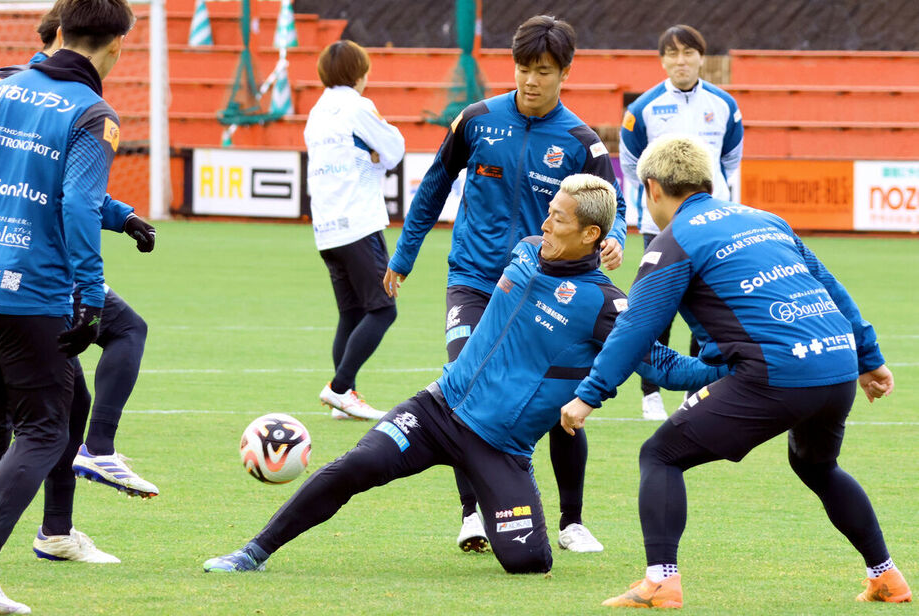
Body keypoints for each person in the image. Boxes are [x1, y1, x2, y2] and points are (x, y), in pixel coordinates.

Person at [204, 174, 723, 576]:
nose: (545, 224)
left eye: (559, 220)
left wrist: (725, 366)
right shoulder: (524, 251)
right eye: (548, 213)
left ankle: (510, 498)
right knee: (353, 467)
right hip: (435, 411)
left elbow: (663, 365)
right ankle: (252, 552)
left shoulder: (605, 306)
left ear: (592, 234)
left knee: (529, 563)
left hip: (500, 449)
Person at [560, 135, 912, 608]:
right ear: (709, 180)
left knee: (661, 455)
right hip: (837, 366)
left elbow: (634, 330)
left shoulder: (673, 242)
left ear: (652, 189)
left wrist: (589, 394)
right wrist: (869, 359)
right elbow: (831, 288)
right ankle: (886, 576)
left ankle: (661, 580)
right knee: (817, 465)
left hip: (776, 375)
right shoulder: (766, 220)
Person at [383, 14, 627, 554]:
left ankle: (571, 521)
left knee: (562, 398)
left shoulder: (583, 142)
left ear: (565, 72)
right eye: (522, 68)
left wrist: (615, 241)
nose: (530, 80)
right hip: (474, 280)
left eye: (543, 70)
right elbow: (432, 189)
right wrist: (404, 254)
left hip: (545, 289)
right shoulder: (475, 120)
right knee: (464, 388)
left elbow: (617, 206)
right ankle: (471, 515)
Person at [0, 4, 158, 567]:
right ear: (118, 46)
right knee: (45, 429)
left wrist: (122, 215)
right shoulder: (92, 113)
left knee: (33, 412)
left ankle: (57, 532)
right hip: (34, 287)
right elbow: (75, 202)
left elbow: (41, 183)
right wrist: (88, 292)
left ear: (60, 31)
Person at [618, 24, 743, 421]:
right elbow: (632, 169)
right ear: (662, 60)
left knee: (708, 309)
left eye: (688, 52)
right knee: (658, 310)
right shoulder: (643, 109)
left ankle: (699, 390)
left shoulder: (725, 105)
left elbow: (730, 164)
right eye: (672, 54)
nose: (681, 60)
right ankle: (650, 393)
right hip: (662, 228)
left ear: (701, 57)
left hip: (715, 223)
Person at [306, 40, 405, 421]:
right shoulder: (358, 107)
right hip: (358, 223)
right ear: (360, 73)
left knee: (351, 313)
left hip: (326, 228)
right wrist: (376, 155)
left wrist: (371, 154)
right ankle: (340, 388)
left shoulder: (317, 111)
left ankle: (343, 400)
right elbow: (394, 148)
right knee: (383, 310)